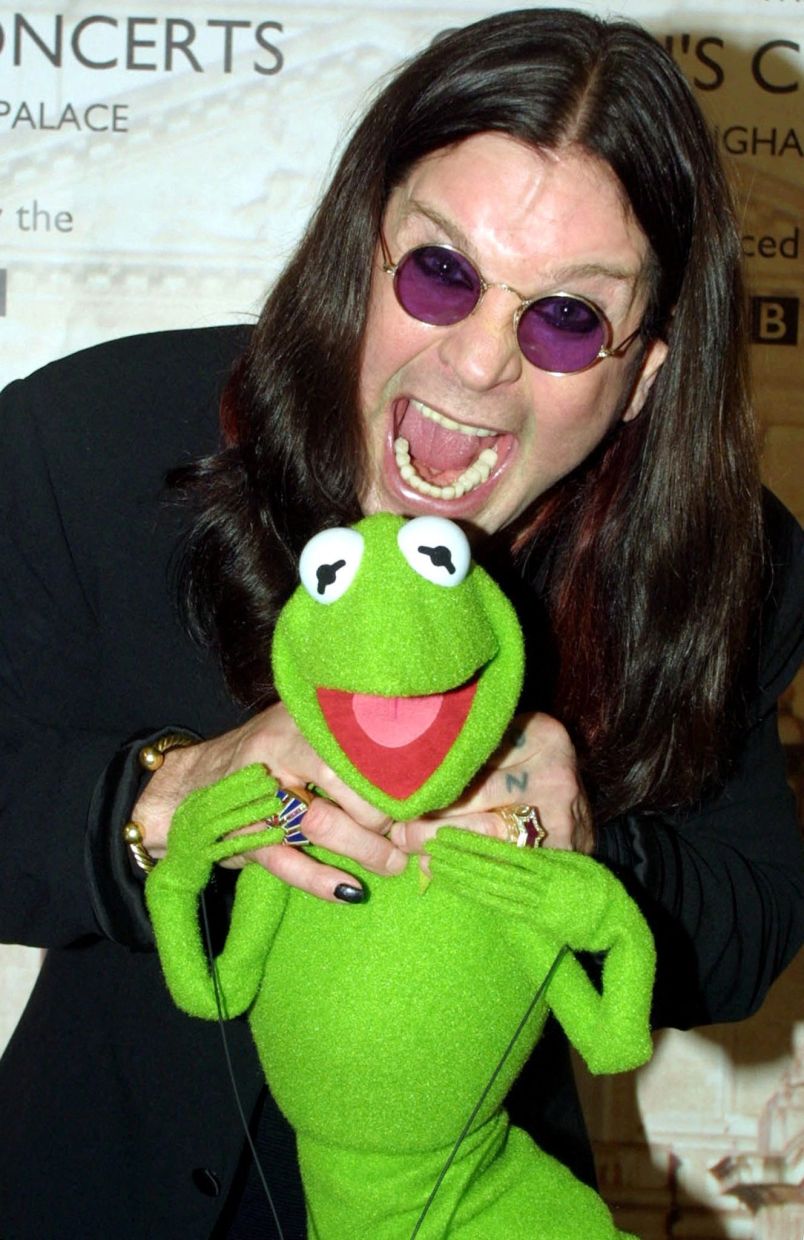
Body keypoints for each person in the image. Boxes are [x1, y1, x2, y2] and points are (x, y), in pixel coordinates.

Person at [0, 7, 801, 1238]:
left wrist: (583, 844)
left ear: (645, 369)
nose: (477, 360)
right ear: (359, 247)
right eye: (441, 271)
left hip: (469, 1196)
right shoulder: (93, 442)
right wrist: (164, 794)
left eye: (567, 318)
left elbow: (749, 918)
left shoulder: (727, 558)